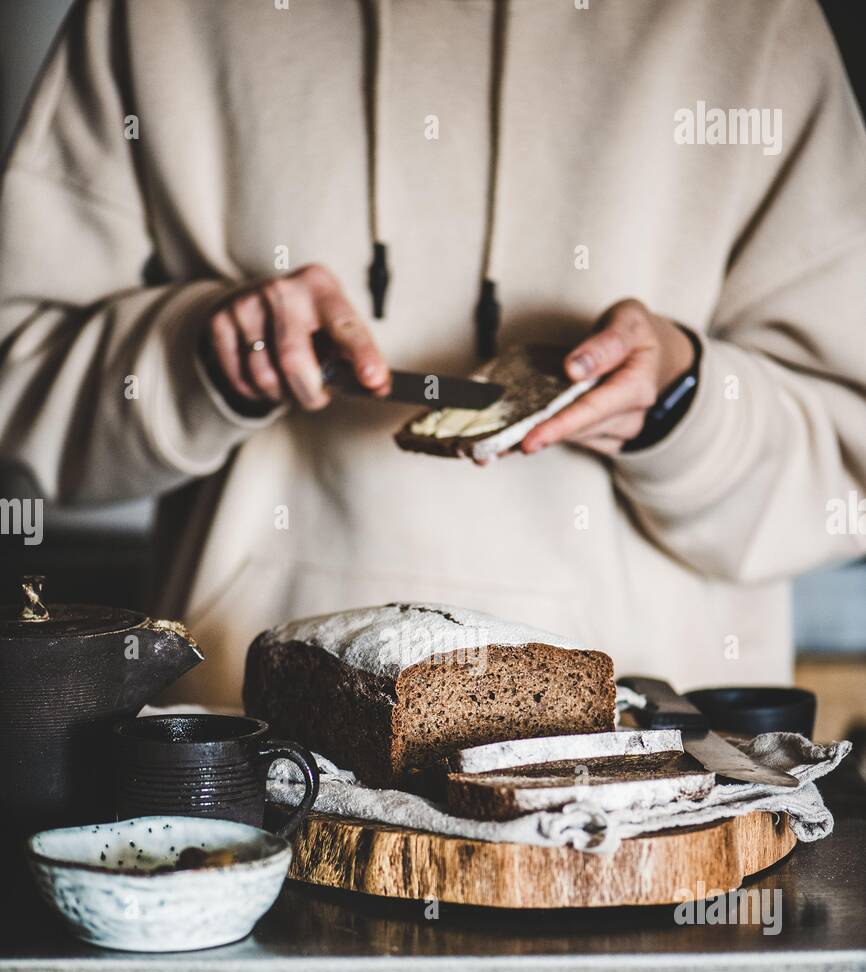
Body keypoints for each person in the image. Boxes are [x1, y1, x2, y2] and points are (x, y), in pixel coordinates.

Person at [1, 0, 864, 706]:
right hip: (244, 749)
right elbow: (19, 380)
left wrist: (685, 409)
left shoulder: (755, 22)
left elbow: (848, 464)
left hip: (650, 780)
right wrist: (196, 360)